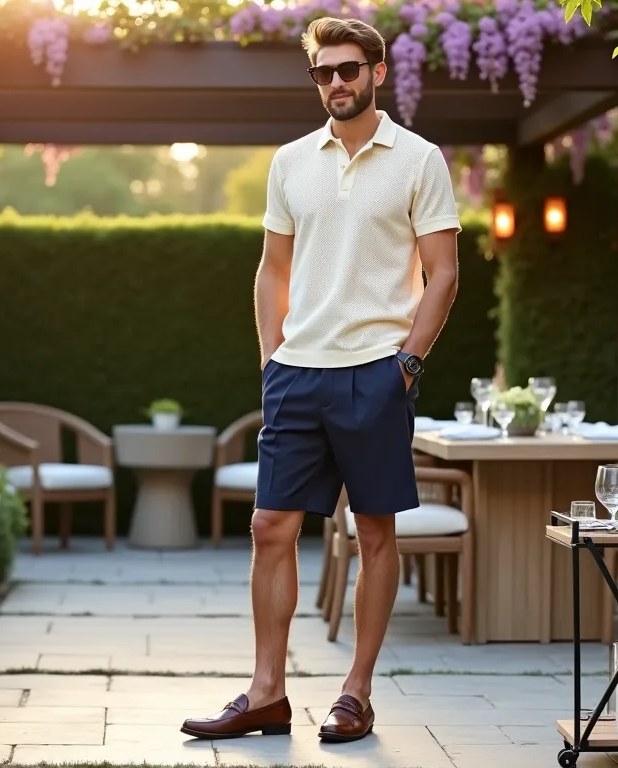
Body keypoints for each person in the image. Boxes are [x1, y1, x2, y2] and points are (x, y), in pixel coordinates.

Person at [181, 15, 460, 744]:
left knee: (373, 533)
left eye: (347, 69)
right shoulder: (290, 162)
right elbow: (273, 268)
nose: (335, 82)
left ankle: (356, 694)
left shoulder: (419, 159)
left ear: (378, 72)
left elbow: (445, 273)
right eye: (322, 72)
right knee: (269, 526)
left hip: (376, 372)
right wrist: (272, 358)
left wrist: (407, 363)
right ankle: (266, 695)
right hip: (297, 374)